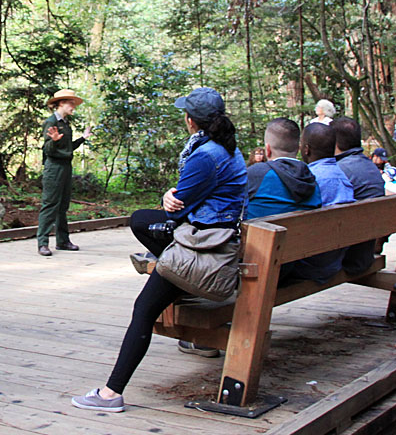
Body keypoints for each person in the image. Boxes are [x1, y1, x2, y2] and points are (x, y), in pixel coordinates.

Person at [71, 88, 245, 412]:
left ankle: (110, 394)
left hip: (201, 247)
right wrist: (172, 196)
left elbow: (177, 209)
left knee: (144, 308)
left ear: (191, 121)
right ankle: (189, 322)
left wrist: (170, 197)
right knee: (140, 220)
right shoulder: (228, 149)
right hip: (217, 236)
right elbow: (188, 196)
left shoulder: (206, 155)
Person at [294, 122, 355, 283]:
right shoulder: (342, 177)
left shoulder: (309, 179)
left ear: (306, 149)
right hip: (334, 260)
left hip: (311, 263)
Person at [36, 89, 91, 256]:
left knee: (62, 206)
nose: (74, 106)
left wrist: (83, 138)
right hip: (54, 169)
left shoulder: (65, 123)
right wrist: (53, 142)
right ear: (61, 103)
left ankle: (63, 241)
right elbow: (47, 150)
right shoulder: (51, 122)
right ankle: (42, 243)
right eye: (71, 103)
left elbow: (68, 148)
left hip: (66, 168)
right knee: (50, 204)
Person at [332, 118, 387, 273]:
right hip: (365, 252)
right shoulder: (371, 167)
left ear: (334, 143)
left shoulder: (338, 171)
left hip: (346, 258)